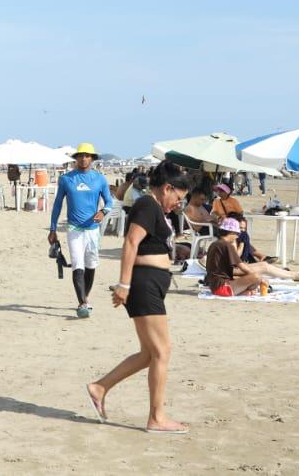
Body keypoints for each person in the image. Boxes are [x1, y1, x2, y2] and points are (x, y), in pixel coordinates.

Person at [87, 158, 189, 435]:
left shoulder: (155, 208)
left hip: (150, 286)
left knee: (149, 354)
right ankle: (156, 417)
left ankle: (100, 387)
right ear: (167, 188)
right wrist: (124, 284)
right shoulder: (147, 204)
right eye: (178, 197)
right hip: (142, 286)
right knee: (162, 351)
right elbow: (130, 242)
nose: (178, 203)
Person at [48, 143, 112, 318]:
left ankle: (85, 297)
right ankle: (82, 303)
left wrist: (103, 212)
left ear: (92, 158)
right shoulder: (67, 179)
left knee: (91, 266)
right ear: (76, 158)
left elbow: (109, 202)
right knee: (77, 264)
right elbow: (57, 205)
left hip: (93, 230)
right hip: (74, 229)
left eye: (87, 155)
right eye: (80, 155)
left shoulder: (100, 179)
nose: (83, 158)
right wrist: (53, 229)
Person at [203, 218, 266, 296]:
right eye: (237, 234)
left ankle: (245, 292)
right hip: (222, 287)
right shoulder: (227, 245)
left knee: (249, 276)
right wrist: (260, 279)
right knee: (256, 277)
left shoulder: (215, 244)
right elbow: (242, 266)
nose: (237, 237)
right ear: (231, 232)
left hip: (214, 286)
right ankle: (243, 292)